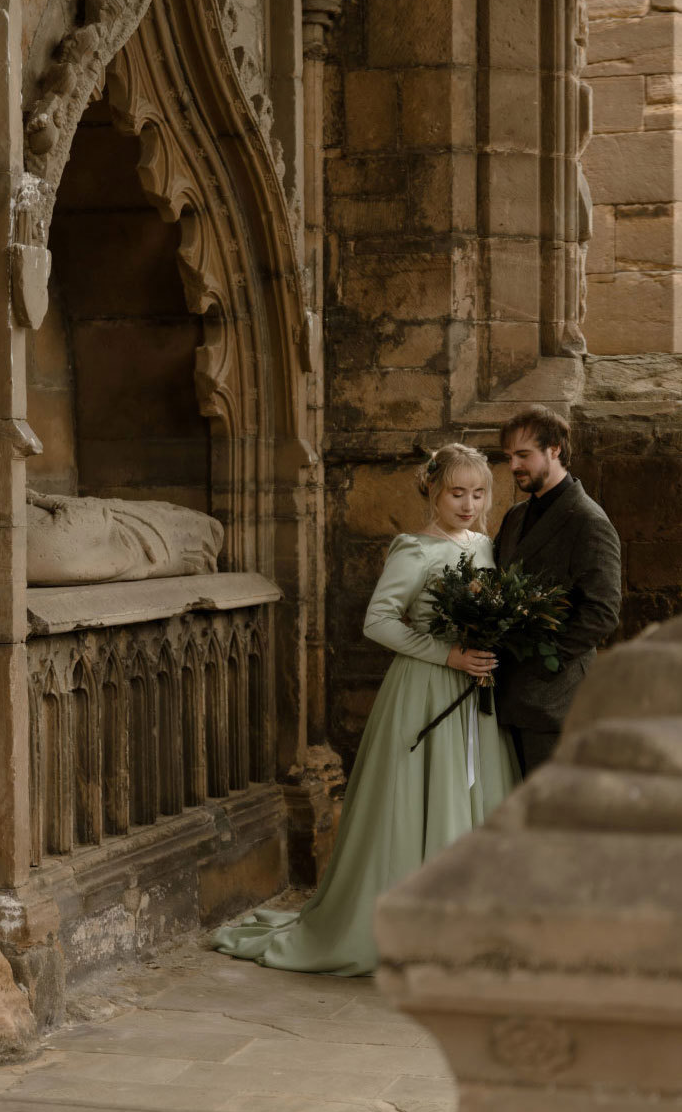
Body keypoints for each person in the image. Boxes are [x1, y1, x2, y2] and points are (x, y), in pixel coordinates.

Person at [212, 443, 520, 976]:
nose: (467, 504)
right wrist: (447, 654)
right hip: (425, 689)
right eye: (456, 493)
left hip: (474, 695)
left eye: (477, 494)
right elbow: (378, 621)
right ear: (432, 490)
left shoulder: (486, 546)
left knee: (473, 800)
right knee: (418, 803)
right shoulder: (414, 550)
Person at [495, 405, 622, 776]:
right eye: (509, 457)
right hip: (507, 695)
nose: (514, 466)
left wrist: (545, 658)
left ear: (554, 449)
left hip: (557, 700)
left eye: (523, 455)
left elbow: (602, 611)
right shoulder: (515, 515)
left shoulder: (589, 521)